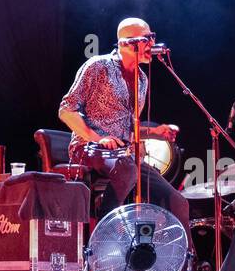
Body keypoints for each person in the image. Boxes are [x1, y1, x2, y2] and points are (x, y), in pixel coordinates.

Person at [58, 17, 189, 230]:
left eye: (152, 37)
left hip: (122, 155)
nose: (151, 44)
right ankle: (104, 230)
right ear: (125, 44)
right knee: (127, 170)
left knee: (177, 201)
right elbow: (66, 110)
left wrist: (155, 131)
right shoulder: (97, 66)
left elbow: (130, 125)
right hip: (89, 149)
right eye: (146, 39)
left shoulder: (141, 80)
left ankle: (186, 262)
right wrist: (99, 138)